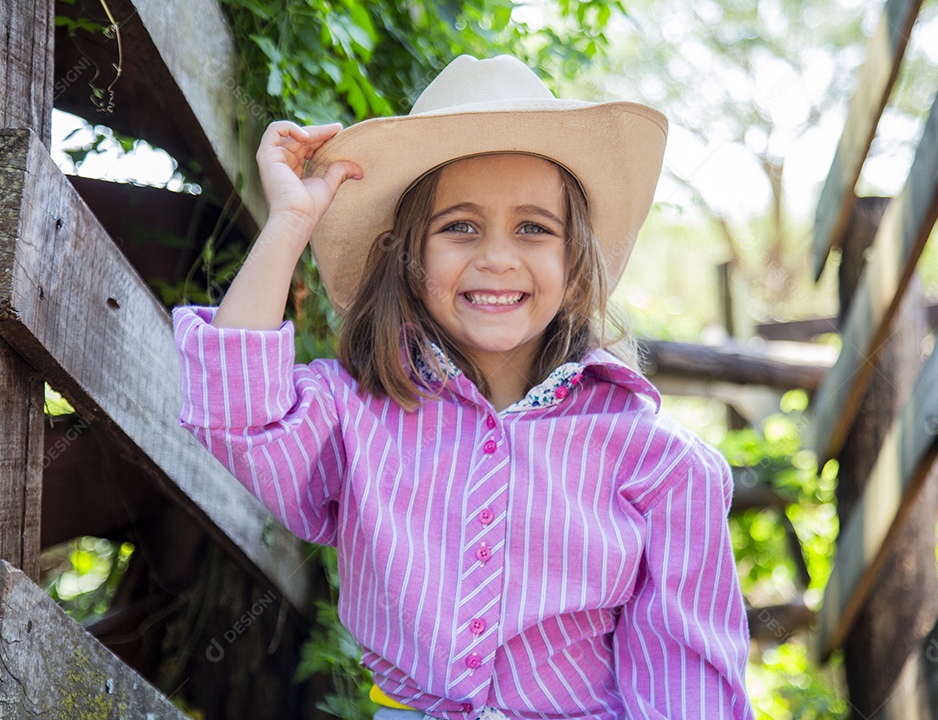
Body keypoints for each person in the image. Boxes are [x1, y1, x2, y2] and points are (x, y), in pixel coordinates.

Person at [172, 54, 754, 719]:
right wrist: (289, 226)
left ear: (576, 262)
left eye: (534, 228)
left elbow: (689, 690)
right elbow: (235, 415)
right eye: (460, 227)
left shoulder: (667, 468)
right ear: (408, 256)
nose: (497, 256)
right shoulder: (352, 411)